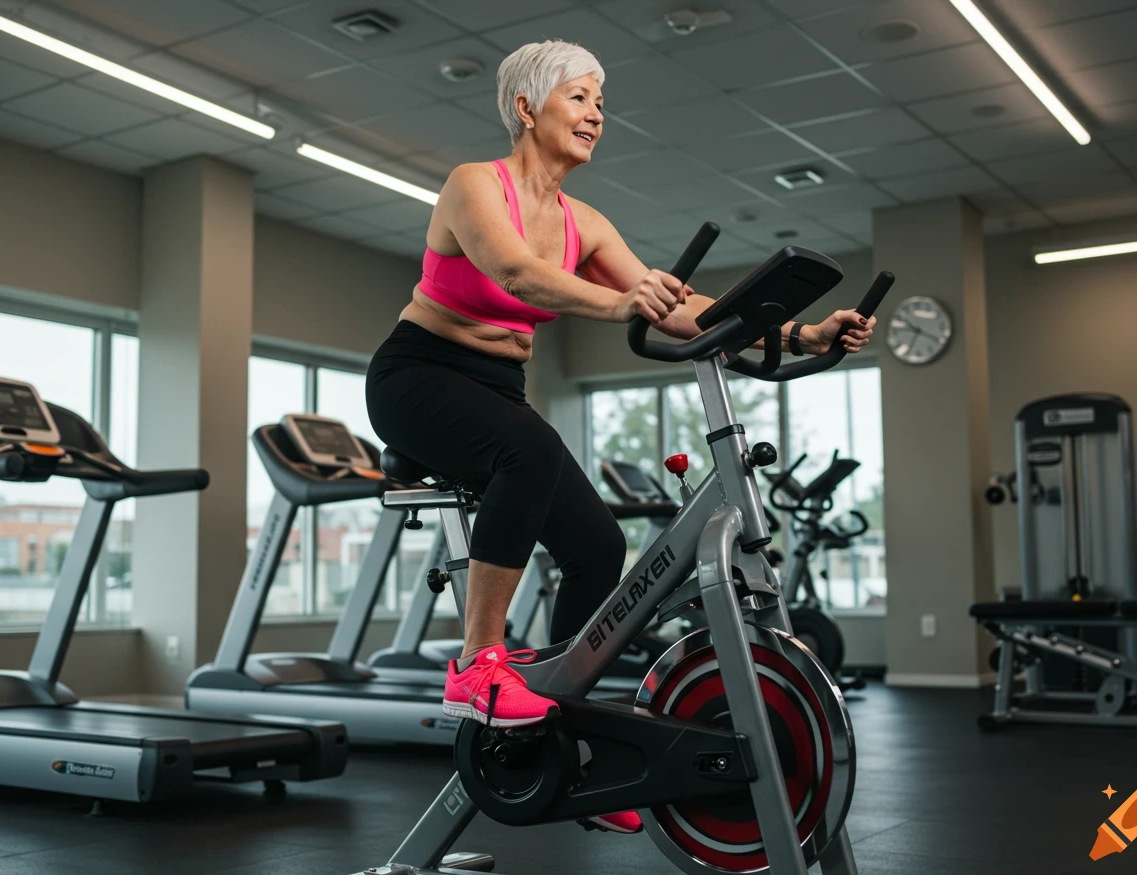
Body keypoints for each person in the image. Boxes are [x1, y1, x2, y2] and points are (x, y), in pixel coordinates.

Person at [366, 41, 874, 832]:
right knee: (525, 455)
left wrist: (802, 335)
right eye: (579, 97)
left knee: (599, 545)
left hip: (498, 389)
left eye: (601, 100)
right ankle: (477, 666)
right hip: (417, 377)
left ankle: (566, 750)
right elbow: (514, 275)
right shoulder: (475, 185)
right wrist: (619, 304)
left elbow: (680, 311)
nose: (596, 113)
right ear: (528, 108)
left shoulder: (585, 221)